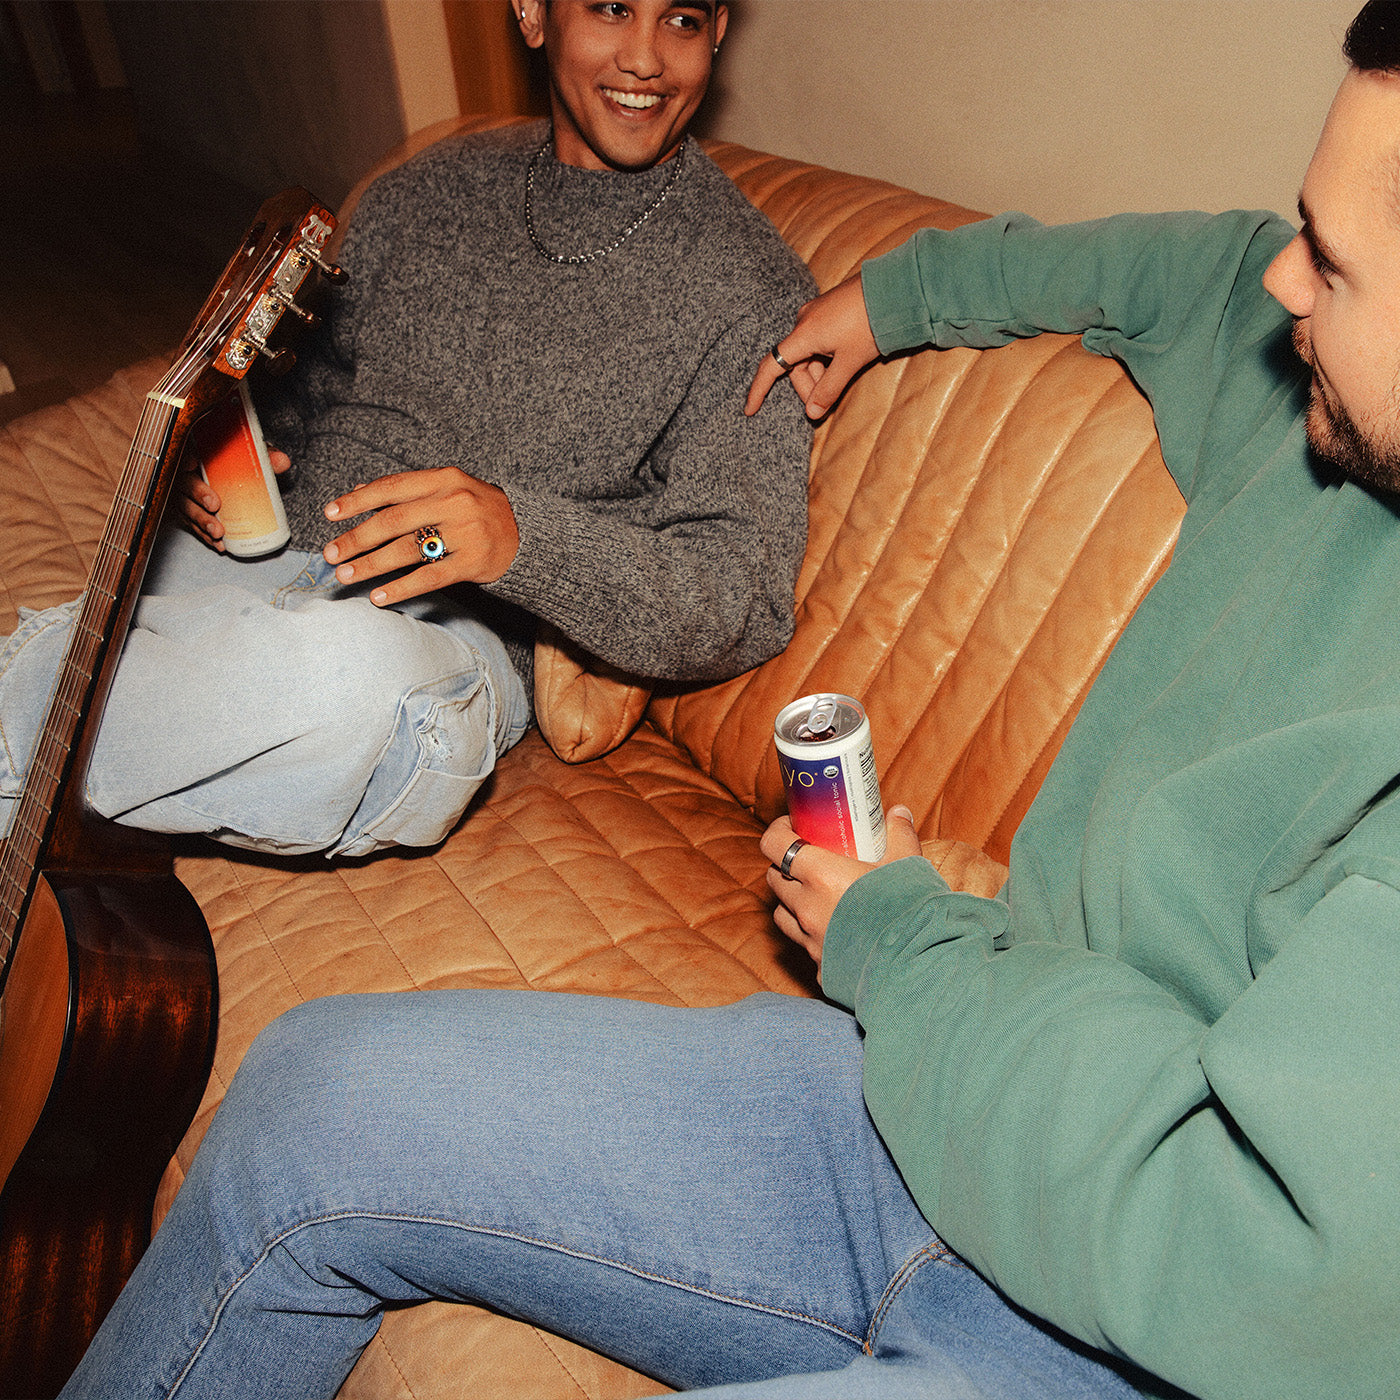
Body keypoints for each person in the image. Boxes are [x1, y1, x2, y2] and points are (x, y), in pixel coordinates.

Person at [54, 2, 1400, 1398]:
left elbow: (1256, 1259)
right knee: (304, 1101)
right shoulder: (1305, 393)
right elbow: (1180, 269)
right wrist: (897, 299)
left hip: (1146, 1319)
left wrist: (905, 936)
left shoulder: (719, 274)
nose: (1286, 284)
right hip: (927, 1110)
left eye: (1339, 264)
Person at [0, 0, 812, 859]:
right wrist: (228, 470)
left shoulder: (751, 289)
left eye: (681, 19)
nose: (646, 58)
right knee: (139, 611)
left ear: (719, 30)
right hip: (259, 563)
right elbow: (300, 397)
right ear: (533, 14)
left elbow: (743, 593)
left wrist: (519, 540)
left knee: (350, 685)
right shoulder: (427, 188)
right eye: (611, 7)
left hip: (440, 640)